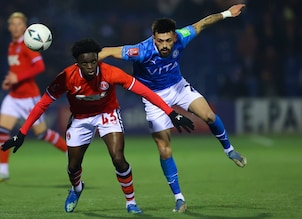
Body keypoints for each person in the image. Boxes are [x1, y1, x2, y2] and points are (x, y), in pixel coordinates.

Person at [0, 39, 194, 214]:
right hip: (81, 119)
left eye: (94, 61)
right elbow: (42, 103)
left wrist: (171, 113)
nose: (91, 66)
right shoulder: (66, 77)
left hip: (107, 114)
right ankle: (76, 189)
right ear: (78, 63)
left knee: (118, 158)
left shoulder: (110, 72)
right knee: (73, 165)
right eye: (85, 63)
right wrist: (22, 132)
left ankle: (131, 203)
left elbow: (144, 91)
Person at [98, 4, 247, 212]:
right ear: (153, 37)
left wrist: (227, 14)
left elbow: (202, 24)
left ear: (174, 37)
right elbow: (107, 51)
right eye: (160, 41)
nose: (165, 45)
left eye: (168, 40)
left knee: (209, 115)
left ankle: (229, 150)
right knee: (164, 149)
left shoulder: (182, 36)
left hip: (178, 87)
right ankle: (179, 198)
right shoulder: (141, 50)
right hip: (152, 98)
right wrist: (85, 63)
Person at [0, 12, 67, 183]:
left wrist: (18, 78)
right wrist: (10, 80)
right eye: (12, 24)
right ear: (9, 27)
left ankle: (70, 152)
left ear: (25, 27)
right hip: (13, 97)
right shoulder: (11, 46)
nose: (15, 27)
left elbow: (39, 66)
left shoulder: (28, 45)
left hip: (29, 98)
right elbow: (18, 70)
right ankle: (3, 171)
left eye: (18, 24)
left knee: (42, 134)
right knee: (2, 130)